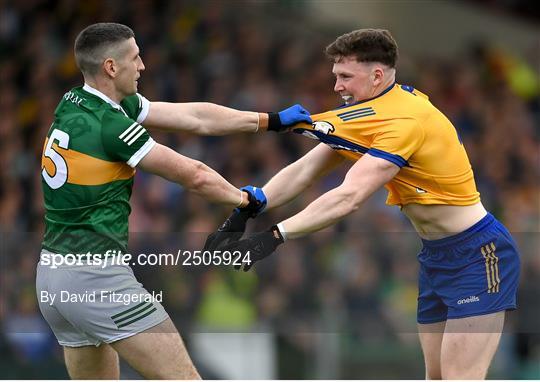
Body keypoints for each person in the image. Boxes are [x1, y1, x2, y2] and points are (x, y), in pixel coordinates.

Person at [206, 29, 521, 379]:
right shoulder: (373, 110)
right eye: (335, 77)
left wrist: (275, 235)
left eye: (345, 77)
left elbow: (349, 196)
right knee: (436, 377)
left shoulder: (405, 120)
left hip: (479, 254)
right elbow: (308, 167)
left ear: (377, 75)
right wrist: (250, 207)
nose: (337, 87)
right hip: (437, 257)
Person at [37, 22, 311, 380]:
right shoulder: (110, 125)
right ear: (111, 67)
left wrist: (269, 121)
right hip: (97, 277)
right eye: (135, 58)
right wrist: (244, 199)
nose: (143, 66)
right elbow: (192, 174)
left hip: (52, 278)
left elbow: (193, 117)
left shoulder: (77, 101)